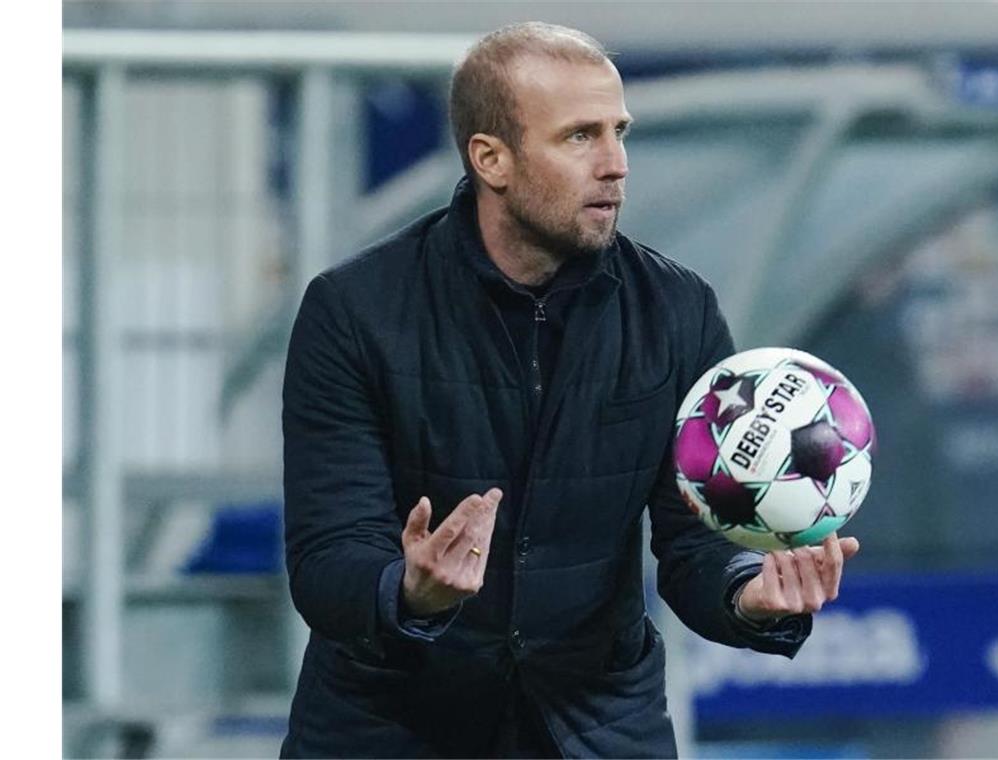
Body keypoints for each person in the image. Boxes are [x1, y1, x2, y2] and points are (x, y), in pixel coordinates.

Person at [280, 21, 859, 759]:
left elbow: (694, 543)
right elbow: (329, 558)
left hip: (598, 729)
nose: (616, 165)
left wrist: (749, 593)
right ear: (491, 158)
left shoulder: (677, 312)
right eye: (580, 137)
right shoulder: (355, 311)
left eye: (620, 132)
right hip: (388, 732)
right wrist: (409, 589)